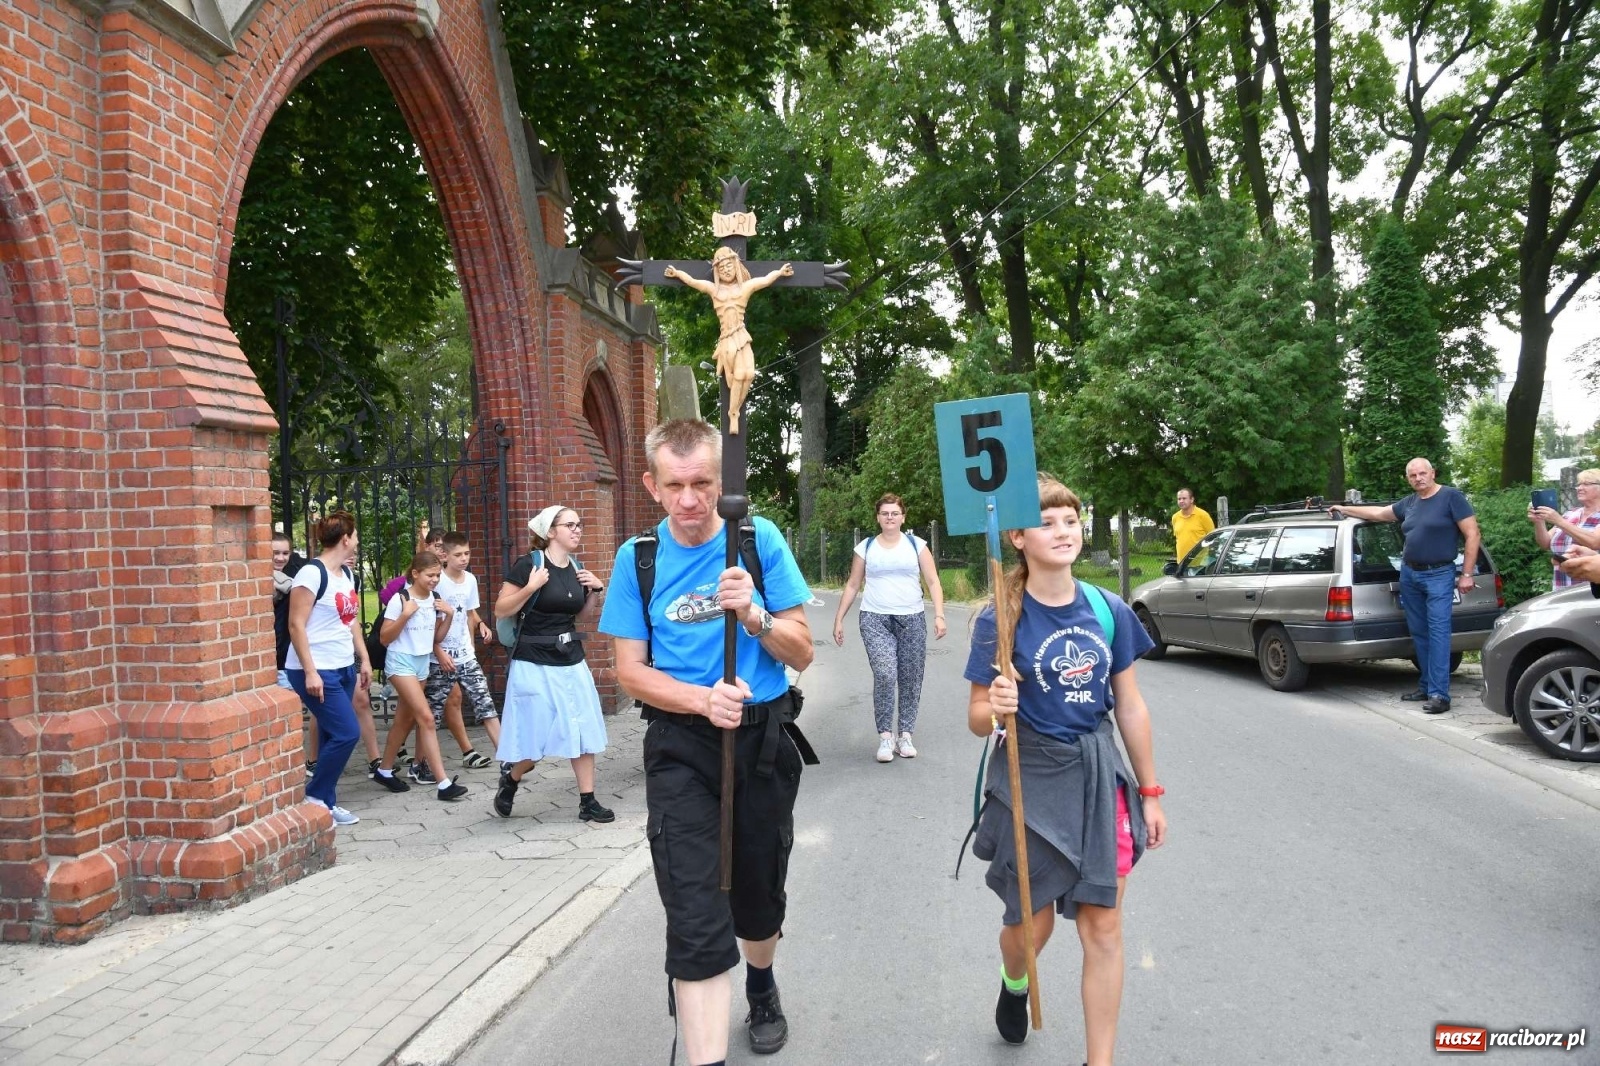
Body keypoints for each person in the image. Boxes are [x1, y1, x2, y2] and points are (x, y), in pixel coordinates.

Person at [598, 419, 814, 1065]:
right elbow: (629, 671)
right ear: (652, 485)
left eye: (703, 484)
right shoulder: (637, 558)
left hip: (762, 742)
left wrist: (755, 616)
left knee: (758, 898)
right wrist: (699, 698)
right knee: (695, 918)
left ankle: (762, 982)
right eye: (676, 485)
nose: (690, 500)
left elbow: (802, 648)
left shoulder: (758, 540)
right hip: (681, 749)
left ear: (724, 482)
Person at [965, 474, 1167, 1060]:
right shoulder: (999, 617)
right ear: (1017, 537)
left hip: (1101, 780)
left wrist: (1150, 791)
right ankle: (1015, 978)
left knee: (1102, 927)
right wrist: (995, 707)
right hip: (1030, 780)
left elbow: (1130, 705)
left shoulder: (1108, 610)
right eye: (1047, 522)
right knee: (1032, 930)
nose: (1063, 531)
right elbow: (978, 717)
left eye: (1071, 520)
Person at [1330, 457, 1480, 714]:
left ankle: (1440, 696)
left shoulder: (1451, 497)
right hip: (1410, 575)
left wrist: (1466, 574)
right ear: (1408, 478)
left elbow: (1472, 534)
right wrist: (1345, 509)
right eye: (1413, 475)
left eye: (1422, 473)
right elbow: (1379, 513)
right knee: (1419, 633)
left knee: (1438, 633)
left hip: (1440, 574)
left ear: (1432, 473)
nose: (1418, 478)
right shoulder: (1409, 503)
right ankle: (1426, 686)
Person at [491, 506, 613, 822]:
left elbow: (579, 617)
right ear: (550, 531)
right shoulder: (528, 566)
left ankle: (588, 802)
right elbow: (502, 609)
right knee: (537, 736)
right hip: (533, 662)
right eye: (569, 525)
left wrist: (595, 592)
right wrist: (531, 587)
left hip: (571, 660)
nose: (577, 530)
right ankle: (512, 777)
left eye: (579, 524)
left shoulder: (576, 567)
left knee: (583, 727)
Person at [832, 493, 946, 762]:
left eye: (895, 513)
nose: (890, 517)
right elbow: (852, 584)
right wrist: (839, 618)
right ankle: (885, 737)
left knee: (910, 677)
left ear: (903, 517)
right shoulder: (866, 548)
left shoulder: (916, 545)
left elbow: (933, 581)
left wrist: (940, 615)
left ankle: (905, 734)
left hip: (912, 618)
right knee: (885, 673)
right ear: (878, 518)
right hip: (875, 618)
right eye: (885, 513)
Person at [284, 511, 372, 826]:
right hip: (316, 669)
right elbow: (295, 624)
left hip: (343, 666)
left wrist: (363, 658)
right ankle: (315, 796)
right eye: (356, 535)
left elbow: (350, 621)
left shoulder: (346, 576)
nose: (358, 541)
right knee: (348, 733)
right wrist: (310, 672)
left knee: (333, 733)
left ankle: (326, 802)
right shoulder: (311, 573)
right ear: (345, 539)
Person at [371, 550, 469, 801]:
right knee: (426, 717)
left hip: (421, 663)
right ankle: (443, 783)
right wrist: (405, 615)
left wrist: (449, 614)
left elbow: (436, 638)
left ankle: (384, 770)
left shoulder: (435, 598)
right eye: (430, 575)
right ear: (415, 574)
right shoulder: (401, 599)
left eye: (437, 575)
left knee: (405, 720)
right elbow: (384, 638)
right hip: (400, 662)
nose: (435, 579)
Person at [663, 248, 792, 434]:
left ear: (736, 265)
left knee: (750, 374)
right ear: (716, 271)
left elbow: (764, 280)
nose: (725, 270)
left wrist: (780, 273)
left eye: (729, 265)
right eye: (721, 267)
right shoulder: (714, 289)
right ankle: (733, 413)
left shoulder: (744, 288)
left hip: (742, 334)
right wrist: (676, 274)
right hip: (727, 338)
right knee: (739, 375)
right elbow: (692, 281)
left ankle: (736, 408)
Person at [426, 531, 502, 768]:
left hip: (465, 656)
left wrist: (473, 638)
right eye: (458, 554)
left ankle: (508, 759)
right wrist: (438, 651)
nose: (464, 558)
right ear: (444, 556)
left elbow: (468, 614)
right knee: (432, 714)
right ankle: (422, 763)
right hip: (441, 658)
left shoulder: (470, 580)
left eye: (467, 553)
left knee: (485, 703)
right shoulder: (437, 582)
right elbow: (428, 623)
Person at [1530, 468, 1600, 589]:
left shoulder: (1563, 519)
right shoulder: (1570, 514)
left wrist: (1559, 521)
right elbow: (1545, 543)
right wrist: (1539, 521)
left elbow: (1595, 542)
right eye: (1578, 484)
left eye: (1586, 484)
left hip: (1590, 591)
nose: (1580, 488)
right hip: (1560, 588)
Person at [1170, 487, 1214, 563]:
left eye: (1184, 498)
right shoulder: (1175, 517)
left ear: (1192, 500)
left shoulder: (1203, 515)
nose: (1181, 501)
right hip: (1182, 563)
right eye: (1179, 499)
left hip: (1200, 563)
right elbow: (1178, 539)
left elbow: (1213, 537)